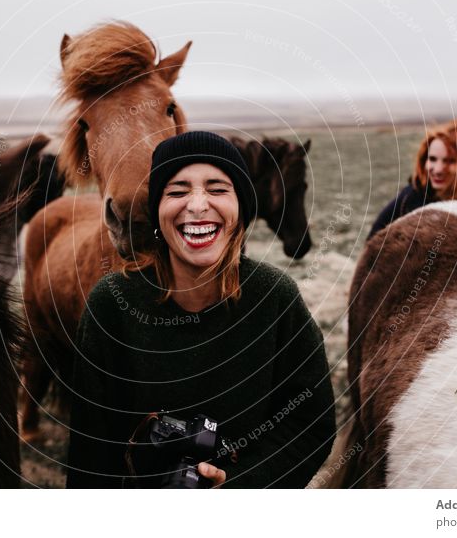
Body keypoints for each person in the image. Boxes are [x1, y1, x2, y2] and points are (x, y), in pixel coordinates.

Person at [65, 131, 335, 488]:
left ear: (241, 210)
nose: (196, 205)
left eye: (217, 189)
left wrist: (241, 486)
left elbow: (310, 422)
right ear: (157, 214)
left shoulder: (276, 299)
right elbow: (89, 454)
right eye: (177, 191)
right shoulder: (112, 305)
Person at [368, 119, 457, 239]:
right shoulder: (409, 199)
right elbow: (373, 244)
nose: (438, 169)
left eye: (450, 161)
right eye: (432, 159)